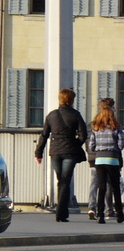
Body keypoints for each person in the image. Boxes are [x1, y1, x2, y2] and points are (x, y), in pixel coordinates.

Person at [34, 88, 88, 222]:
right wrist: (75, 144)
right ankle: (61, 212)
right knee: (65, 181)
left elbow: (44, 135)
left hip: (55, 151)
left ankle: (61, 211)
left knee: (60, 180)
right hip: (69, 151)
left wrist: (38, 152)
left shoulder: (52, 115)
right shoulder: (75, 114)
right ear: (72, 100)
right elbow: (83, 134)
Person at [86, 100, 124, 224]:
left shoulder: (96, 128)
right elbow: (121, 145)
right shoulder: (117, 127)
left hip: (99, 160)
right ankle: (119, 214)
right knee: (115, 187)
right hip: (112, 159)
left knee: (101, 187)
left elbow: (91, 146)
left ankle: (100, 215)